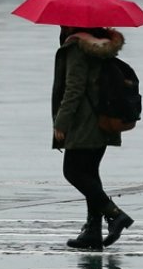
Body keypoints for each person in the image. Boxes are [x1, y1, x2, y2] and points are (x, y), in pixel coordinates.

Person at [52, 27, 135, 250]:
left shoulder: (76, 48)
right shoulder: (102, 45)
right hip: (103, 119)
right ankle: (93, 232)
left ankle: (115, 214)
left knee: (72, 171)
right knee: (89, 174)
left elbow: (74, 88)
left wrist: (61, 122)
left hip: (83, 122)